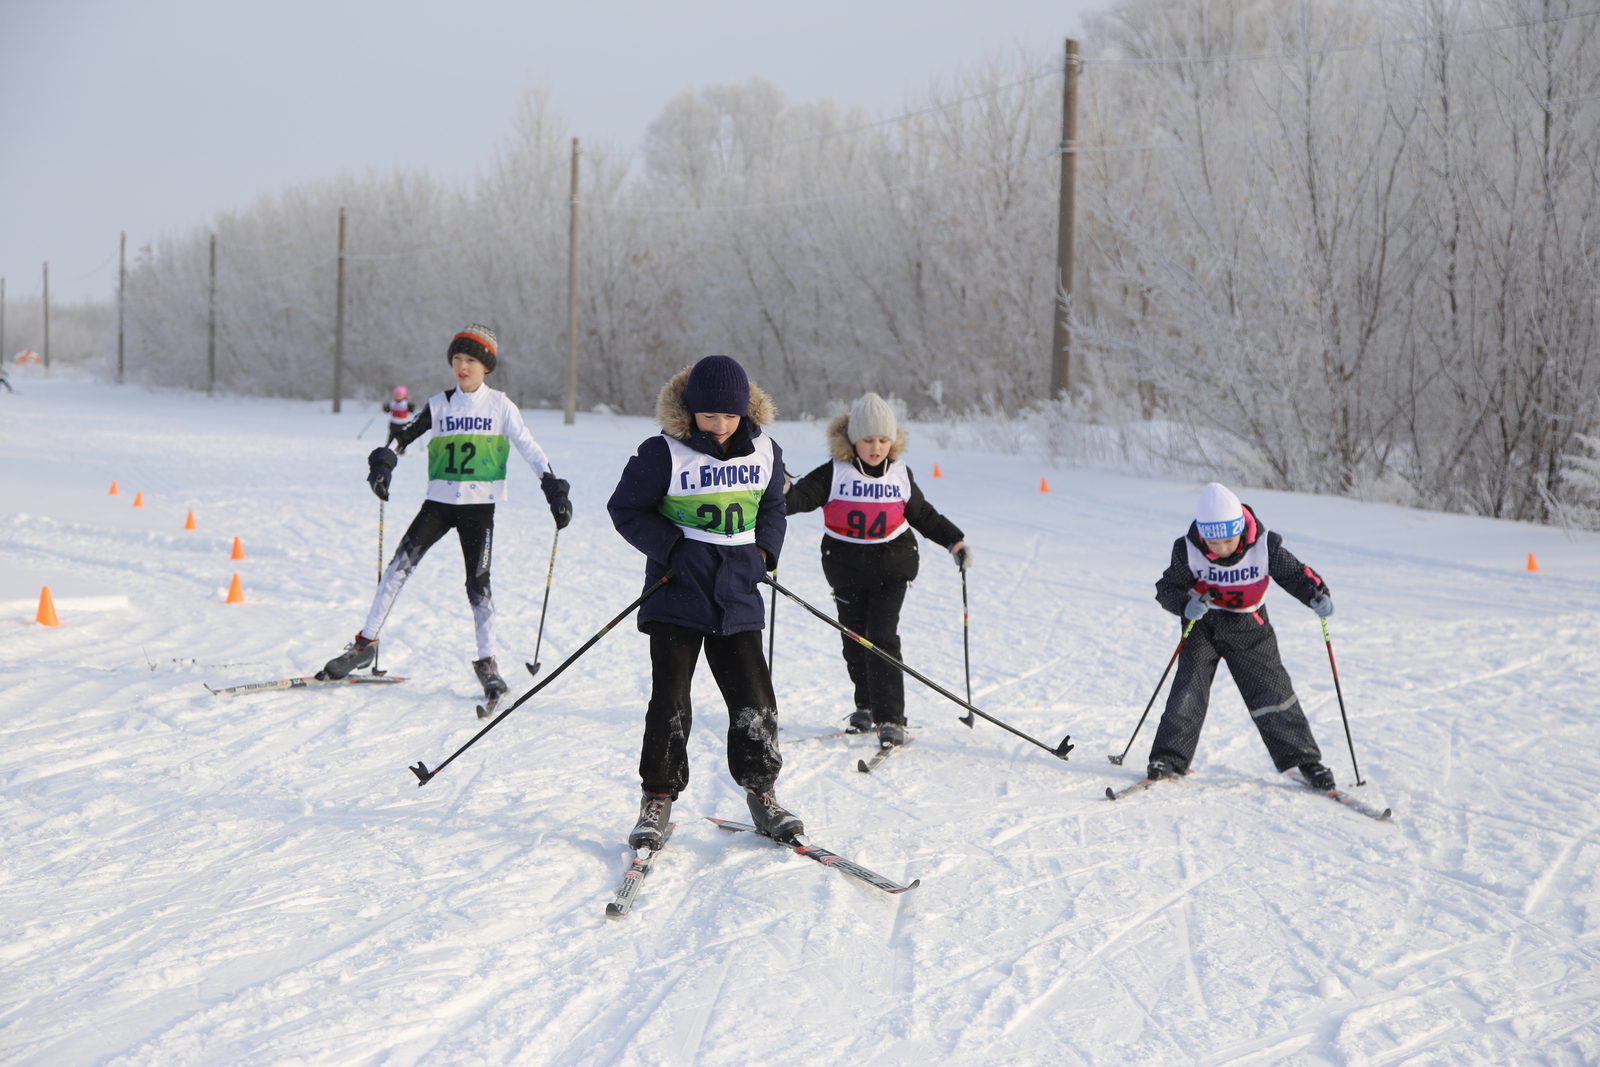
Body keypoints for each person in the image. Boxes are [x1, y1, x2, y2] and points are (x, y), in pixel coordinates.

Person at [318, 324, 573, 711]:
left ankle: (487, 663)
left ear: (486, 366)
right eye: (457, 359)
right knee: (396, 569)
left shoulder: (500, 405)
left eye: (470, 360)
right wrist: (383, 465)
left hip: (478, 508)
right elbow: (402, 437)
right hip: (437, 505)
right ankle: (364, 644)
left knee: (478, 586)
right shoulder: (439, 404)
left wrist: (554, 491)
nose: (462, 366)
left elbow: (531, 449)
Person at [607, 355, 801, 849]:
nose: (718, 425)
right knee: (670, 701)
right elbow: (625, 508)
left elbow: (774, 506)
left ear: (745, 412)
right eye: (708, 414)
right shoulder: (663, 452)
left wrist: (764, 552)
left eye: (729, 415)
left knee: (754, 701)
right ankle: (657, 797)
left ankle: (762, 792)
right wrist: (673, 548)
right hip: (677, 591)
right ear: (690, 409)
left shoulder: (765, 451)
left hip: (738, 593)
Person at [782, 393, 970, 747]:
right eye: (868, 440)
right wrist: (784, 488)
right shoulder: (834, 472)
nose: (876, 447)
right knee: (854, 639)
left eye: (883, 440)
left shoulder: (899, 473)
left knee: (881, 637)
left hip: (892, 568)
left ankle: (890, 717)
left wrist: (954, 541)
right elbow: (800, 499)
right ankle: (866, 705)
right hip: (846, 570)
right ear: (853, 439)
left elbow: (923, 514)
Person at [1147, 482, 1337, 788]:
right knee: (1188, 691)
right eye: (1213, 542)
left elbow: (1295, 574)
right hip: (1202, 628)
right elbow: (1167, 589)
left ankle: (1305, 761)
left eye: (1228, 540)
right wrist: (1184, 605)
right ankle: (1167, 758)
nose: (1221, 549)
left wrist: (1317, 594)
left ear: (1241, 530)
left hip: (1250, 627)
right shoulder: (1187, 549)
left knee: (1272, 692)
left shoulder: (1264, 545)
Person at [383, 385, 414, 450]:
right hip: (394, 423)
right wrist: (385, 407)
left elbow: (411, 410)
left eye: (399, 395)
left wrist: (411, 406)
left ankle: (401, 449)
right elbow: (387, 410)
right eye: (396, 395)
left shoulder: (405, 403)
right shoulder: (392, 403)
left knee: (402, 437)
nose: (397, 396)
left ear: (403, 395)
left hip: (403, 423)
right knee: (392, 437)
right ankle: (388, 448)